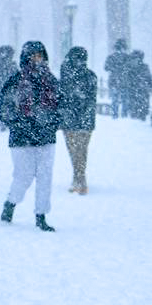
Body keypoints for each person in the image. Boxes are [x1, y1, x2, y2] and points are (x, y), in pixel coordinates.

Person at [0, 41, 59, 231]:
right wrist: (20, 123)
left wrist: (52, 123)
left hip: (46, 137)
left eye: (40, 56)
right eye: (33, 56)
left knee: (45, 177)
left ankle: (41, 216)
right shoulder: (15, 80)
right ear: (26, 58)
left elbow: (61, 106)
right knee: (23, 177)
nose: (37, 60)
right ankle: (11, 203)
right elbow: (4, 108)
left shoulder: (51, 81)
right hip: (21, 139)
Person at [58, 46, 96, 195]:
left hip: (75, 120)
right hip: (80, 120)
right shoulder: (89, 76)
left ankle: (79, 178)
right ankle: (79, 177)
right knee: (79, 150)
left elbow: (63, 98)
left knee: (76, 150)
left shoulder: (67, 76)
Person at [104, 38, 130, 118]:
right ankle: (124, 115)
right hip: (124, 81)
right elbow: (130, 69)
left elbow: (106, 68)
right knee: (124, 99)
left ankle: (115, 114)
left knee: (114, 99)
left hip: (113, 81)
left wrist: (113, 69)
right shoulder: (127, 57)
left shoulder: (111, 57)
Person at [126, 50, 152, 120]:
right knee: (138, 105)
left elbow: (149, 78)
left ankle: (140, 116)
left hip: (140, 89)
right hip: (137, 89)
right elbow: (149, 78)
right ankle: (138, 115)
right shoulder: (132, 67)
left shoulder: (142, 67)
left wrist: (150, 86)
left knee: (140, 105)